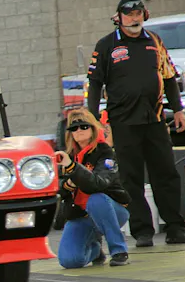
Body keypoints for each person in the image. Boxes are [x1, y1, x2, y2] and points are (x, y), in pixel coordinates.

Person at [87, 0, 185, 247]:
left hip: (155, 120)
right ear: (118, 18)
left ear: (144, 15)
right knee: (130, 178)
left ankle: (175, 228)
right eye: (129, 14)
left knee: (165, 174)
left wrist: (178, 110)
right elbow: (95, 83)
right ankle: (142, 231)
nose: (134, 19)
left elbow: (169, 77)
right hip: (123, 123)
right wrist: (93, 118)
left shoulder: (154, 41)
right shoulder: (106, 45)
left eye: (138, 14)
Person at [55, 108, 132, 268]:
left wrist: (72, 168)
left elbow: (98, 184)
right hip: (80, 215)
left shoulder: (105, 152)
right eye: (74, 128)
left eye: (84, 126)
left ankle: (119, 251)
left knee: (96, 199)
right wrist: (67, 184)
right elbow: (56, 187)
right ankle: (95, 251)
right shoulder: (66, 156)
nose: (79, 131)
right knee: (69, 261)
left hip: (111, 209)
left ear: (93, 129)